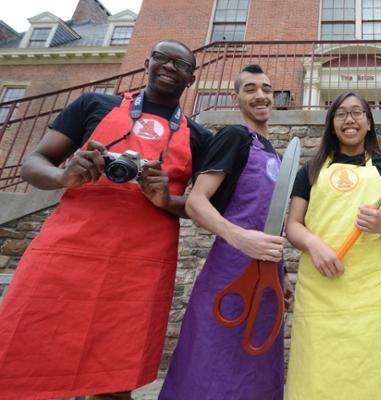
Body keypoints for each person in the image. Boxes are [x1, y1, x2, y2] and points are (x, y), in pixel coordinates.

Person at [0, 40, 211, 399]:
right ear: (147, 61)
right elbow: (33, 163)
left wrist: (166, 198)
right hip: (67, 250)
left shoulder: (200, 137)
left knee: (113, 377)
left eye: (182, 64)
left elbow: (204, 207)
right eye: (163, 58)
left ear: (191, 79)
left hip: (141, 267)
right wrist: (64, 176)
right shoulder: (93, 104)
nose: (171, 67)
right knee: (24, 356)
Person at [159, 64, 291, 400]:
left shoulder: (274, 151)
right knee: (212, 361)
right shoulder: (234, 137)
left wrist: (283, 272)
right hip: (230, 269)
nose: (260, 95)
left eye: (265, 88)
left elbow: (269, 219)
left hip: (267, 274)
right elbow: (197, 203)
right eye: (250, 89)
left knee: (256, 363)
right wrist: (239, 237)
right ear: (237, 99)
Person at [284, 92, 381, 399]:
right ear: (332, 124)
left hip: (373, 290)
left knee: (376, 368)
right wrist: (314, 244)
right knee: (318, 370)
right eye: (341, 114)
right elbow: (293, 225)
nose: (349, 119)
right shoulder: (310, 171)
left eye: (357, 113)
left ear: (369, 123)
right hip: (321, 287)